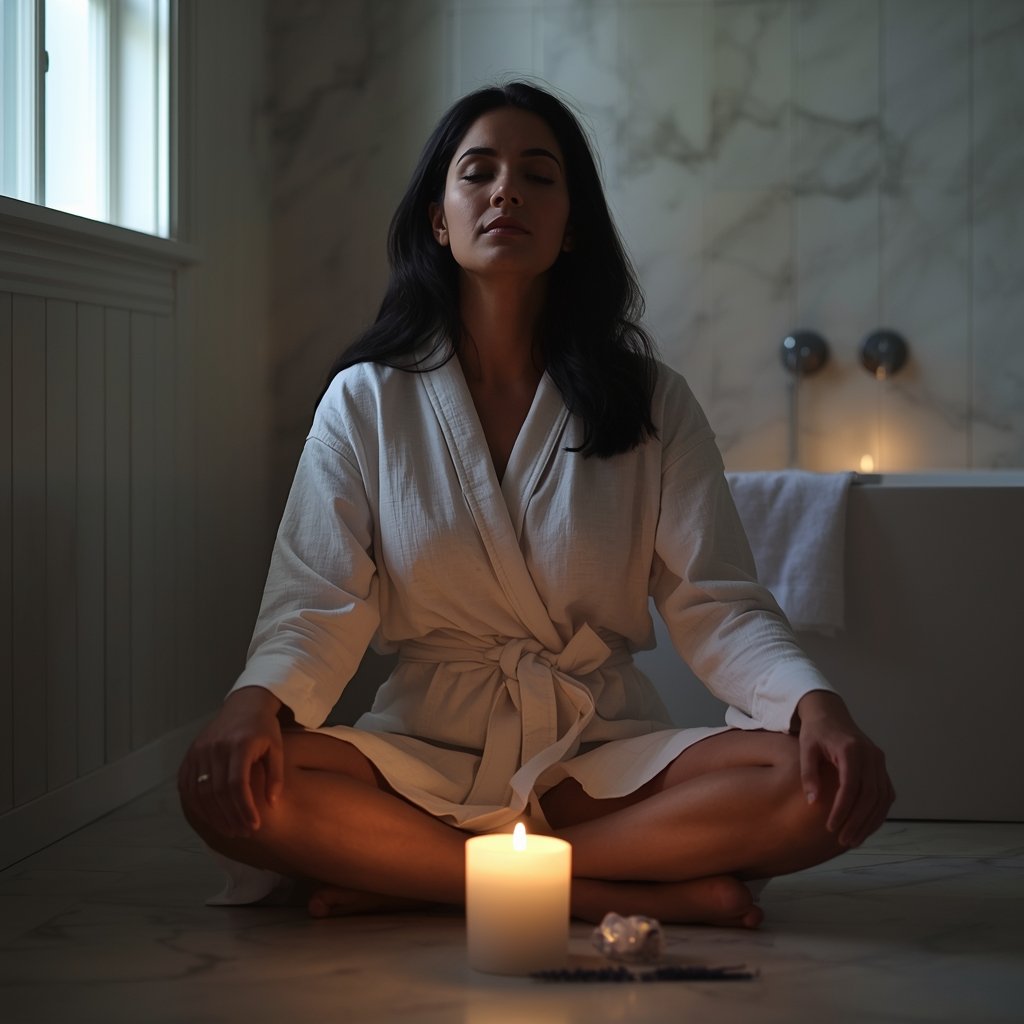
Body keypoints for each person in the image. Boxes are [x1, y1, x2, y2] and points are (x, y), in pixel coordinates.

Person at [179, 81, 893, 929]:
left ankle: (420, 877)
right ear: (439, 219)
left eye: (538, 176)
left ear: (571, 223)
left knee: (809, 786)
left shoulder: (649, 400)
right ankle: (597, 889)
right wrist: (251, 700)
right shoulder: (366, 401)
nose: (505, 191)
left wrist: (819, 706)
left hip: (600, 753)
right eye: (476, 172)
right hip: (425, 753)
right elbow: (315, 601)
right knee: (218, 783)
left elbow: (718, 602)